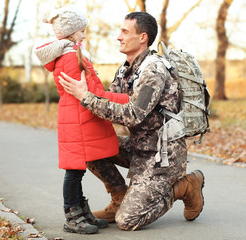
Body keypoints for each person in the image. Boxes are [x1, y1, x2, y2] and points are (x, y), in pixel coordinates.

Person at [59, 11, 204, 231]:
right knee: (87, 145)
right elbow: (107, 104)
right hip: (137, 146)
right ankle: (119, 198)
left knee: (127, 221)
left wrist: (86, 97)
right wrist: (85, 85)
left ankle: (184, 186)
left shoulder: (154, 70)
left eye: (125, 31)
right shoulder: (125, 70)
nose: (119, 36)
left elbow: (132, 114)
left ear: (143, 37)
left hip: (161, 156)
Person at [34, 7, 129, 235]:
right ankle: (72, 215)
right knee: (74, 171)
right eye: (81, 31)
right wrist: (126, 99)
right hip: (78, 121)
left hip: (77, 119)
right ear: (70, 32)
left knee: (78, 170)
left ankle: (82, 211)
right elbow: (92, 93)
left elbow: (91, 91)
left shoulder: (72, 55)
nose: (84, 35)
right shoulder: (70, 58)